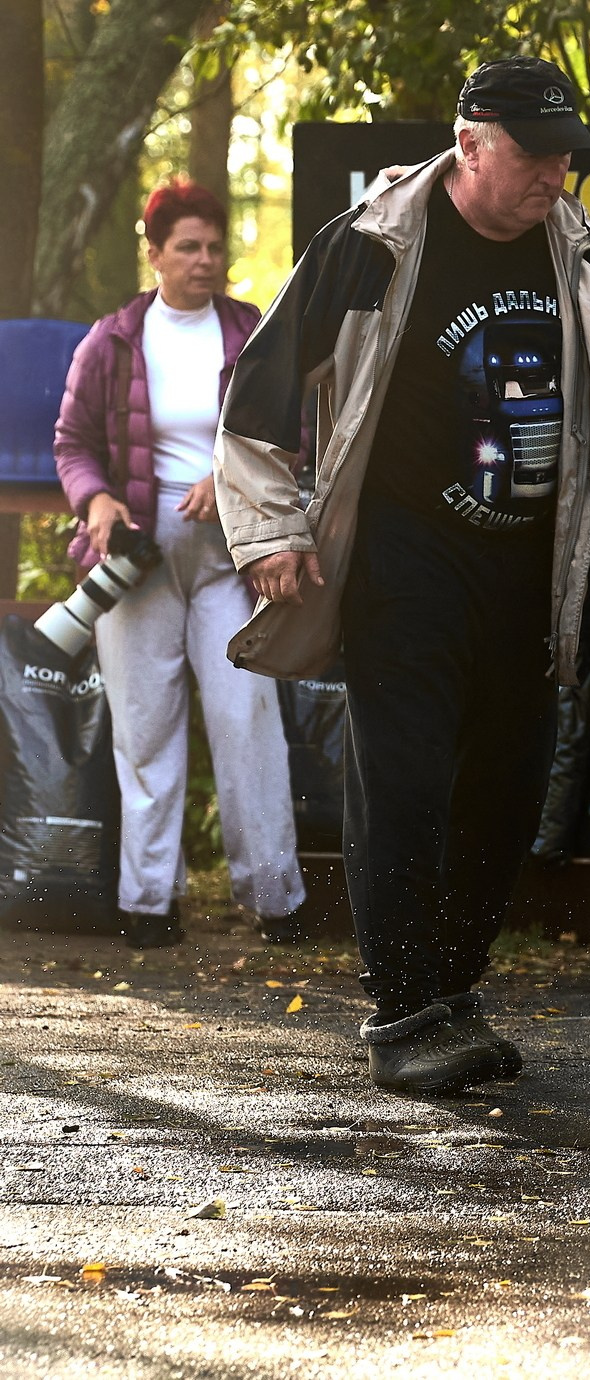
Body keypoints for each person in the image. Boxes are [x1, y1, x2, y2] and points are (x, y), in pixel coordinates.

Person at [215, 57, 590, 1095]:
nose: (555, 172)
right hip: (402, 561)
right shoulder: (372, 245)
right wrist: (270, 534)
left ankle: (456, 987)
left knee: (505, 788)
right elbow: (255, 398)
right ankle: (403, 1011)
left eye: (567, 152)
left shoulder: (585, 257)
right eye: (534, 152)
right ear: (471, 143)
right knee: (407, 778)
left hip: (530, 571)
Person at [53, 179, 306, 951]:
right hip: (137, 559)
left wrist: (225, 479)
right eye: (188, 247)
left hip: (231, 554)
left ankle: (275, 899)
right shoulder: (113, 340)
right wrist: (95, 503)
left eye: (215, 247)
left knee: (247, 719)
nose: (206, 260)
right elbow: (73, 444)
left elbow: (290, 432)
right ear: (154, 252)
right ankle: (148, 904)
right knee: (145, 729)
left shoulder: (251, 332)